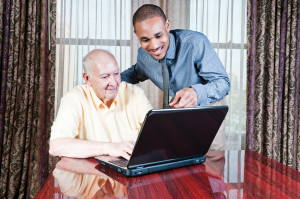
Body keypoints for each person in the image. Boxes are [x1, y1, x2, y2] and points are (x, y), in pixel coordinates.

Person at [49, 49, 153, 160]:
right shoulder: (73, 99)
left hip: (131, 169)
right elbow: (57, 146)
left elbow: (157, 133)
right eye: (105, 77)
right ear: (87, 78)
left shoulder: (135, 93)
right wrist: (108, 148)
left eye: (116, 74)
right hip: (90, 173)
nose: (114, 82)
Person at [121, 4, 230, 108]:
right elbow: (135, 73)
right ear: (136, 34)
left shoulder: (195, 43)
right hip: (180, 104)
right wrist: (109, 81)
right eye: (145, 39)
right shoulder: (143, 55)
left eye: (158, 36)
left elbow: (223, 84)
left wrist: (196, 93)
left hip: (208, 104)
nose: (154, 46)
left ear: (167, 25)